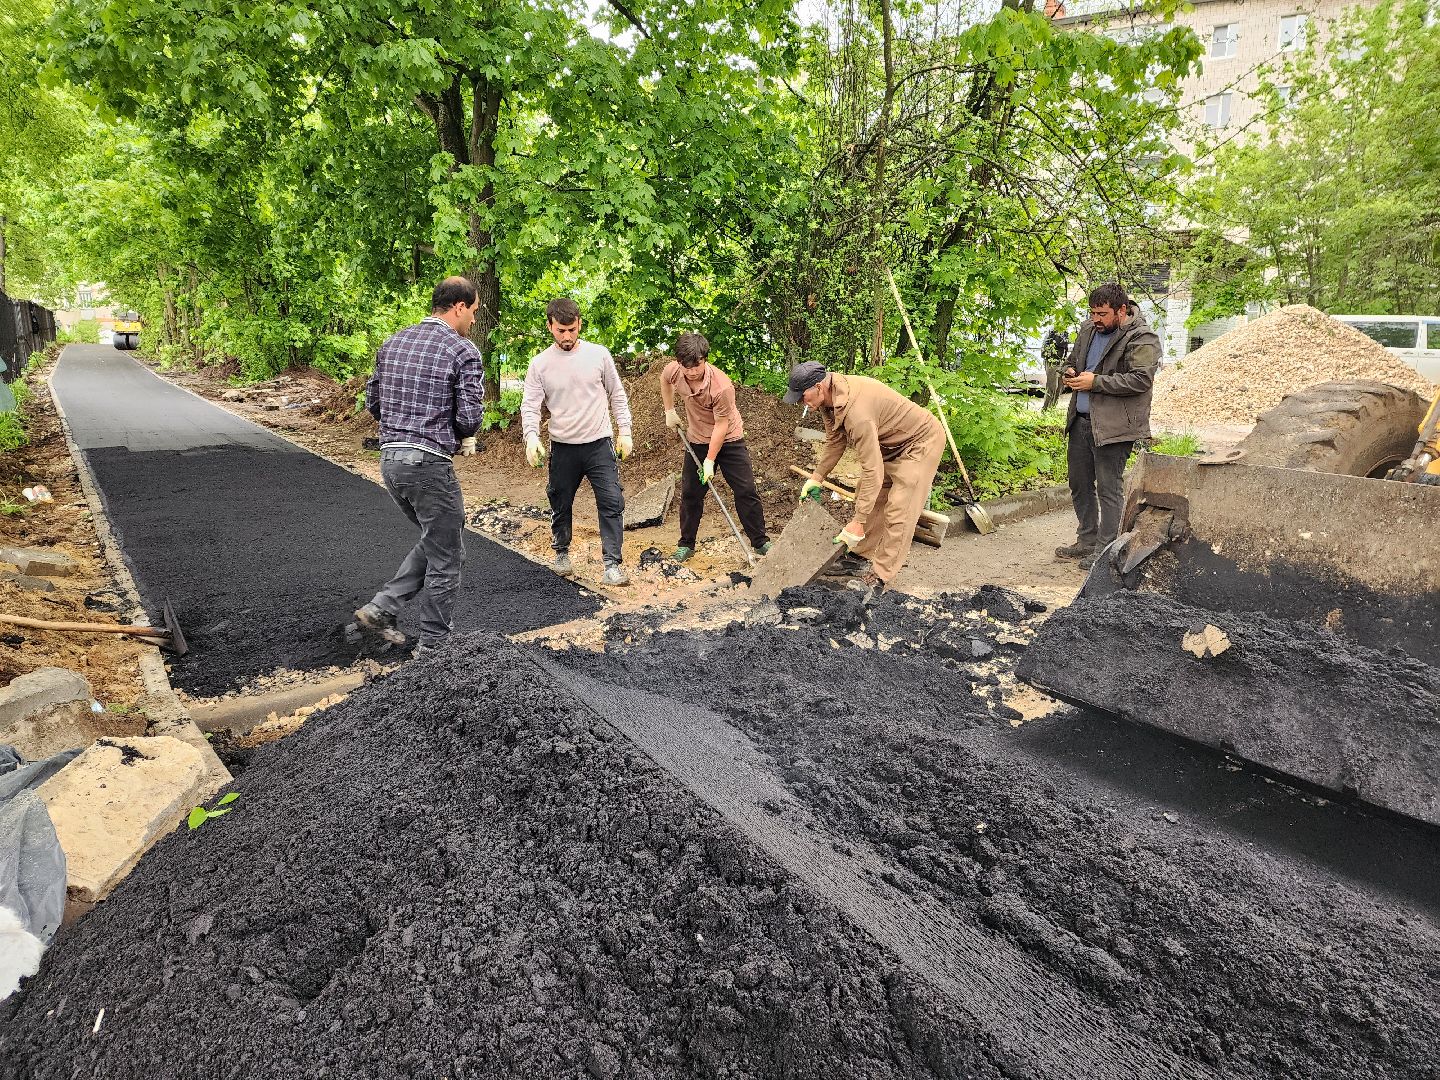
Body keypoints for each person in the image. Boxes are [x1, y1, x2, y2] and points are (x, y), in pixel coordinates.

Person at [352, 276, 485, 656]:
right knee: (447, 556)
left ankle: (383, 608)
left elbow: (373, 404)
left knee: (439, 538)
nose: (473, 321)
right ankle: (434, 648)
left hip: (391, 461)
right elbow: (470, 419)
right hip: (428, 464)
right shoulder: (462, 351)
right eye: (473, 312)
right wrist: (460, 431)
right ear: (459, 306)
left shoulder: (392, 342)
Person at [785, 361, 945, 592]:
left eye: (802, 397)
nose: (801, 403)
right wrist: (817, 477)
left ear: (819, 387)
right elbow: (835, 441)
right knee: (869, 495)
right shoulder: (828, 400)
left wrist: (858, 522)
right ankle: (860, 557)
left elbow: (873, 471)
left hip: (919, 443)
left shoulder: (857, 413)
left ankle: (880, 576)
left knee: (900, 509)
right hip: (890, 443)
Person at [521, 297, 633, 586]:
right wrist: (531, 437)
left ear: (580, 323)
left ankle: (612, 565)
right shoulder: (540, 364)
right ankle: (561, 553)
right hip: (563, 446)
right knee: (560, 500)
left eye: (572, 329)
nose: (567, 336)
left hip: (598, 443)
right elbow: (531, 405)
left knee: (611, 500)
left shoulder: (599, 355)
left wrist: (625, 430)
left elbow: (616, 394)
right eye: (561, 330)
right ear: (550, 327)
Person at [1057, 285, 1160, 570]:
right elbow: (1073, 360)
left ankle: (1105, 550)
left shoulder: (1143, 337)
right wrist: (1068, 371)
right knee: (1079, 484)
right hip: (1080, 421)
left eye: (1102, 313)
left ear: (1122, 311)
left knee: (1108, 488)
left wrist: (1096, 382)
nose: (1095, 319)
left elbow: (1140, 380)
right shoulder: (1089, 329)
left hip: (1115, 428)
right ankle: (1086, 540)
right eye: (1092, 312)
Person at [661, 333, 772, 562]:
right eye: (686, 366)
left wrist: (710, 460)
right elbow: (665, 379)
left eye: (697, 365)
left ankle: (760, 542)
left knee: (745, 490)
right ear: (680, 362)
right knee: (691, 493)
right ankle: (686, 544)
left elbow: (722, 425)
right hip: (696, 439)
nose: (691, 372)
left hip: (730, 439)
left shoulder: (721, 387)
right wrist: (669, 411)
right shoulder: (674, 370)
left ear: (705, 359)